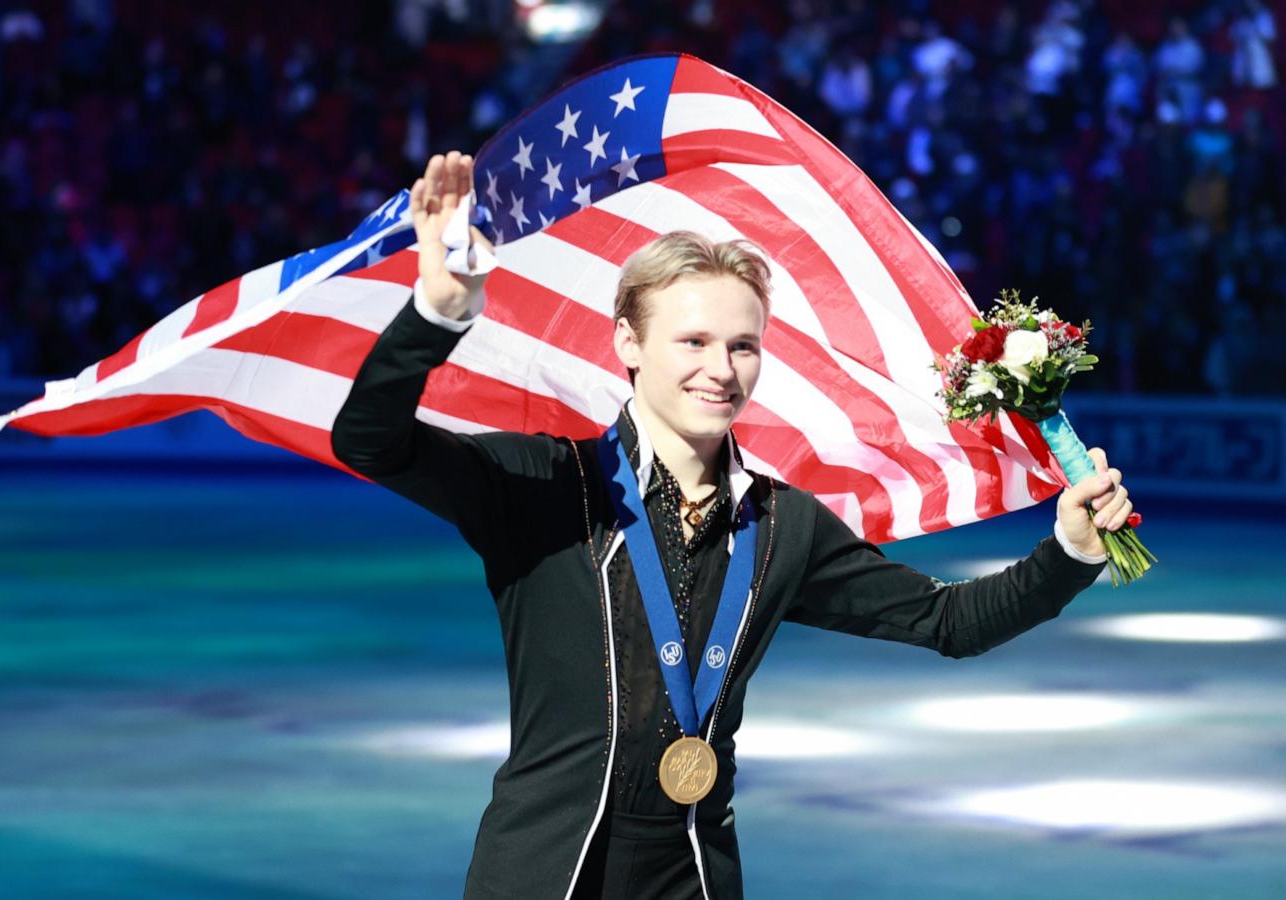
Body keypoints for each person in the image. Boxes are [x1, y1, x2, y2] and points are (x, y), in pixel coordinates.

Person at [331, 151, 1132, 899]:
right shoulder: (543, 482)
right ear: (629, 344)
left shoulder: (784, 524)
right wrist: (436, 315)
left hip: (696, 875)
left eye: (742, 345)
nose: (721, 369)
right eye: (694, 341)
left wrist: (1069, 553)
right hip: (544, 871)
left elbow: (945, 621)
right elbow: (369, 440)